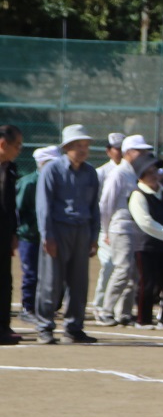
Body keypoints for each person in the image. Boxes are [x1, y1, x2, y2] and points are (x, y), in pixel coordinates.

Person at [34, 125, 102, 345]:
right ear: (67, 148)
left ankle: (74, 328)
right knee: (50, 281)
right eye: (78, 146)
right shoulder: (51, 170)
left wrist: (94, 236)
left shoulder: (90, 172)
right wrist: (47, 236)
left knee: (79, 282)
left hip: (82, 230)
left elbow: (94, 207)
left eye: (85, 146)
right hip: (58, 229)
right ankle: (45, 327)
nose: (83, 150)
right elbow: (43, 205)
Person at [126, 154, 163, 329]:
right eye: (149, 172)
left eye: (156, 170)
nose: (155, 175)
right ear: (141, 176)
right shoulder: (138, 194)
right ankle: (143, 319)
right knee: (148, 283)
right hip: (146, 246)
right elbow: (145, 222)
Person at [16, 145, 58, 330]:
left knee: (49, 275)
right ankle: (28, 308)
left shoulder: (58, 182)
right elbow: (18, 210)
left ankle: (45, 308)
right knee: (32, 274)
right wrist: (21, 230)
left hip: (50, 236)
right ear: (41, 163)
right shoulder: (29, 182)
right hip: (30, 237)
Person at [90, 132, 124, 309]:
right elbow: (97, 202)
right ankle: (100, 304)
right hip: (105, 226)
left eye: (122, 148)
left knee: (123, 267)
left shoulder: (129, 171)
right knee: (109, 265)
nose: (119, 152)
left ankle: (115, 307)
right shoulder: (101, 172)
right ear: (109, 151)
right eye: (116, 149)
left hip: (122, 227)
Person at [0, 125, 20, 344]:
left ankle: (3, 327)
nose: (19, 150)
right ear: (3, 144)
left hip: (4, 234)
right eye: (16, 145)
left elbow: (11, 204)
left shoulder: (11, 169)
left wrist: (13, 232)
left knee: (5, 280)